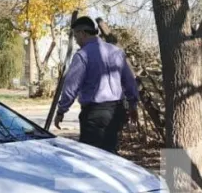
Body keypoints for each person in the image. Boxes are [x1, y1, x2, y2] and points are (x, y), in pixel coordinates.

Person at [54, 16, 139, 154]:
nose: (76, 40)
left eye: (76, 36)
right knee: (111, 154)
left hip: (95, 114)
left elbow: (71, 87)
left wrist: (61, 111)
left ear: (83, 33)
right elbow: (129, 81)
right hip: (116, 112)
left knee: (92, 157)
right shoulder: (116, 52)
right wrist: (133, 105)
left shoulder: (83, 55)